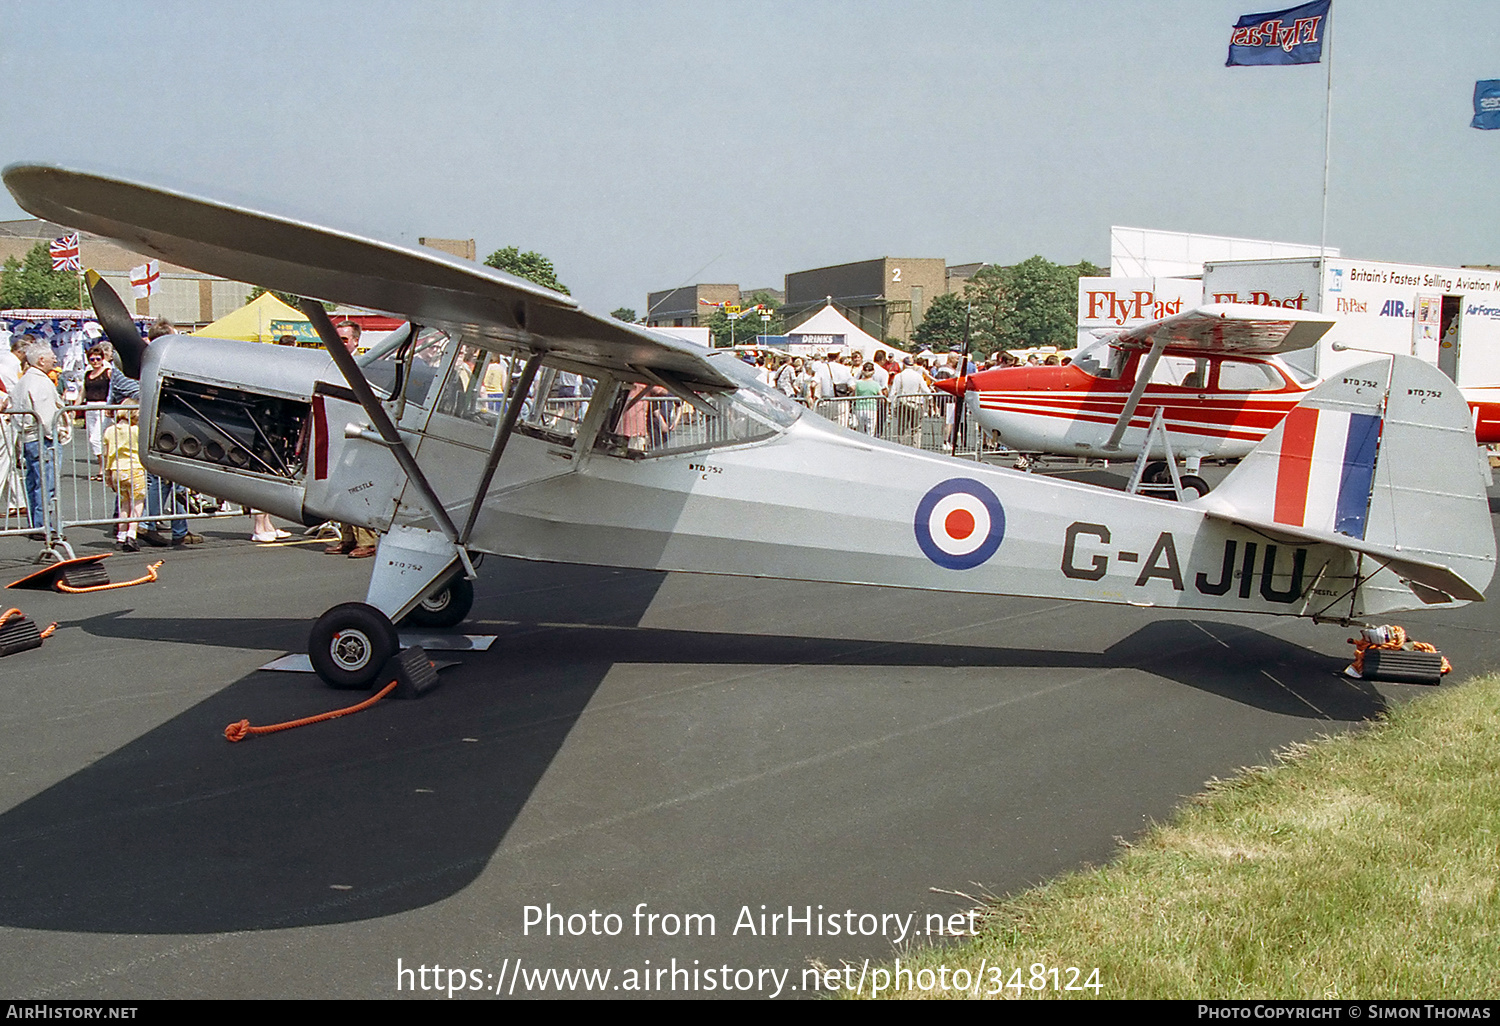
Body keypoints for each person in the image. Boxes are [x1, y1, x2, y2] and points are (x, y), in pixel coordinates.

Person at [327, 320, 379, 557]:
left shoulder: (365, 366)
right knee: (338, 484)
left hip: (358, 431)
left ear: (356, 341)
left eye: (345, 340)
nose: (340, 344)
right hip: (337, 429)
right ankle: (347, 537)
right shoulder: (333, 364)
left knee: (358, 486)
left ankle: (367, 541)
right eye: (337, 339)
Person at [14, 343, 69, 536]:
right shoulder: (40, 382)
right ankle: (43, 524)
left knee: (34, 482)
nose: (55, 359)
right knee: (46, 484)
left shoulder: (24, 380)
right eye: (52, 356)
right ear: (40, 360)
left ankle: (36, 523)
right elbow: (46, 416)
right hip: (42, 439)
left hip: (28, 437)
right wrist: (56, 433)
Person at [101, 400, 147, 551]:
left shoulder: (109, 430)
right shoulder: (136, 431)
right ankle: (131, 535)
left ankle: (120, 535)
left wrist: (107, 474)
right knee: (137, 503)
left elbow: (107, 454)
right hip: (134, 468)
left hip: (116, 469)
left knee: (124, 504)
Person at [83, 345, 112, 479]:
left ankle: (106, 468)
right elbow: (82, 392)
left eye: (98, 359)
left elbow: (113, 390)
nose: (95, 362)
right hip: (89, 407)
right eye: (92, 359)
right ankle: (102, 469)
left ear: (102, 359)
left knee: (96, 439)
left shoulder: (108, 372)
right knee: (93, 439)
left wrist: (110, 405)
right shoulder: (87, 374)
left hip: (102, 405)